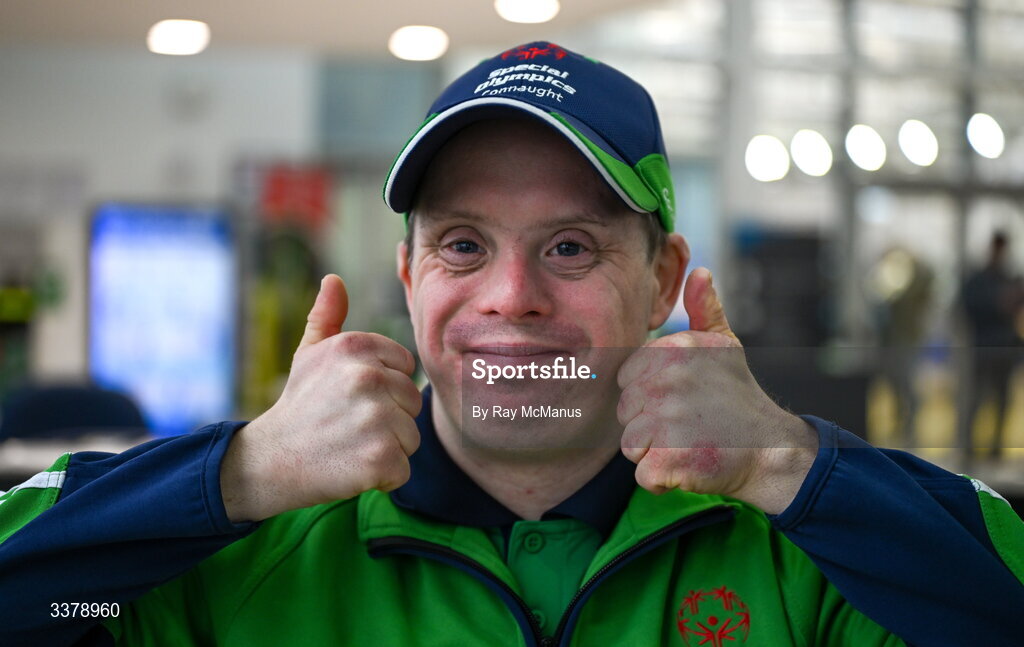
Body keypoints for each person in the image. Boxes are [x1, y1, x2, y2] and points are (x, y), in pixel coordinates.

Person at [1, 41, 1021, 647]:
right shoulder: (247, 544)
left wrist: (792, 465)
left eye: (570, 246)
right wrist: (239, 473)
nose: (511, 296)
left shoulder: (799, 546)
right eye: (462, 244)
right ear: (407, 277)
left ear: (662, 279)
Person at [961, 230, 1024, 457]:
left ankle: (995, 448)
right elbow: (969, 307)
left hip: (1004, 349)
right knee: (977, 399)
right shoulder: (979, 280)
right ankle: (967, 447)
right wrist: (998, 302)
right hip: (983, 347)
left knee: (1002, 401)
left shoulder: (1008, 278)